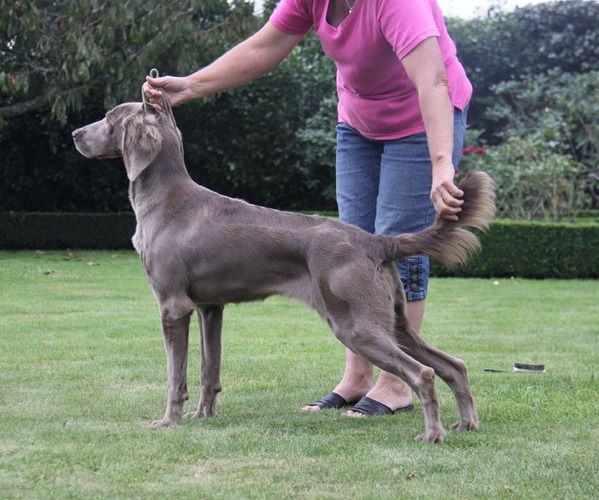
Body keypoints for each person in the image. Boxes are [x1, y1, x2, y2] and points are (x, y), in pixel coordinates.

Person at [144, 0, 471, 418]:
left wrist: (441, 163)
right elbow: (262, 48)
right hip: (360, 122)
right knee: (350, 248)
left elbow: (433, 79)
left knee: (393, 241)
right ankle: (357, 376)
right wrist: (190, 86)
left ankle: (396, 384)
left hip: (421, 120)